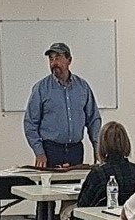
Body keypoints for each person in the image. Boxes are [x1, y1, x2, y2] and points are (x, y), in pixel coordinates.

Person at [23, 42, 101, 170]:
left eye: (58, 58)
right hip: (51, 150)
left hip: (76, 150)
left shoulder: (82, 87)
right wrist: (39, 152)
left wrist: (97, 148)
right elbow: (30, 123)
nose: (54, 63)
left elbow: (93, 119)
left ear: (69, 60)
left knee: (74, 183)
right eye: (51, 59)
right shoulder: (41, 88)